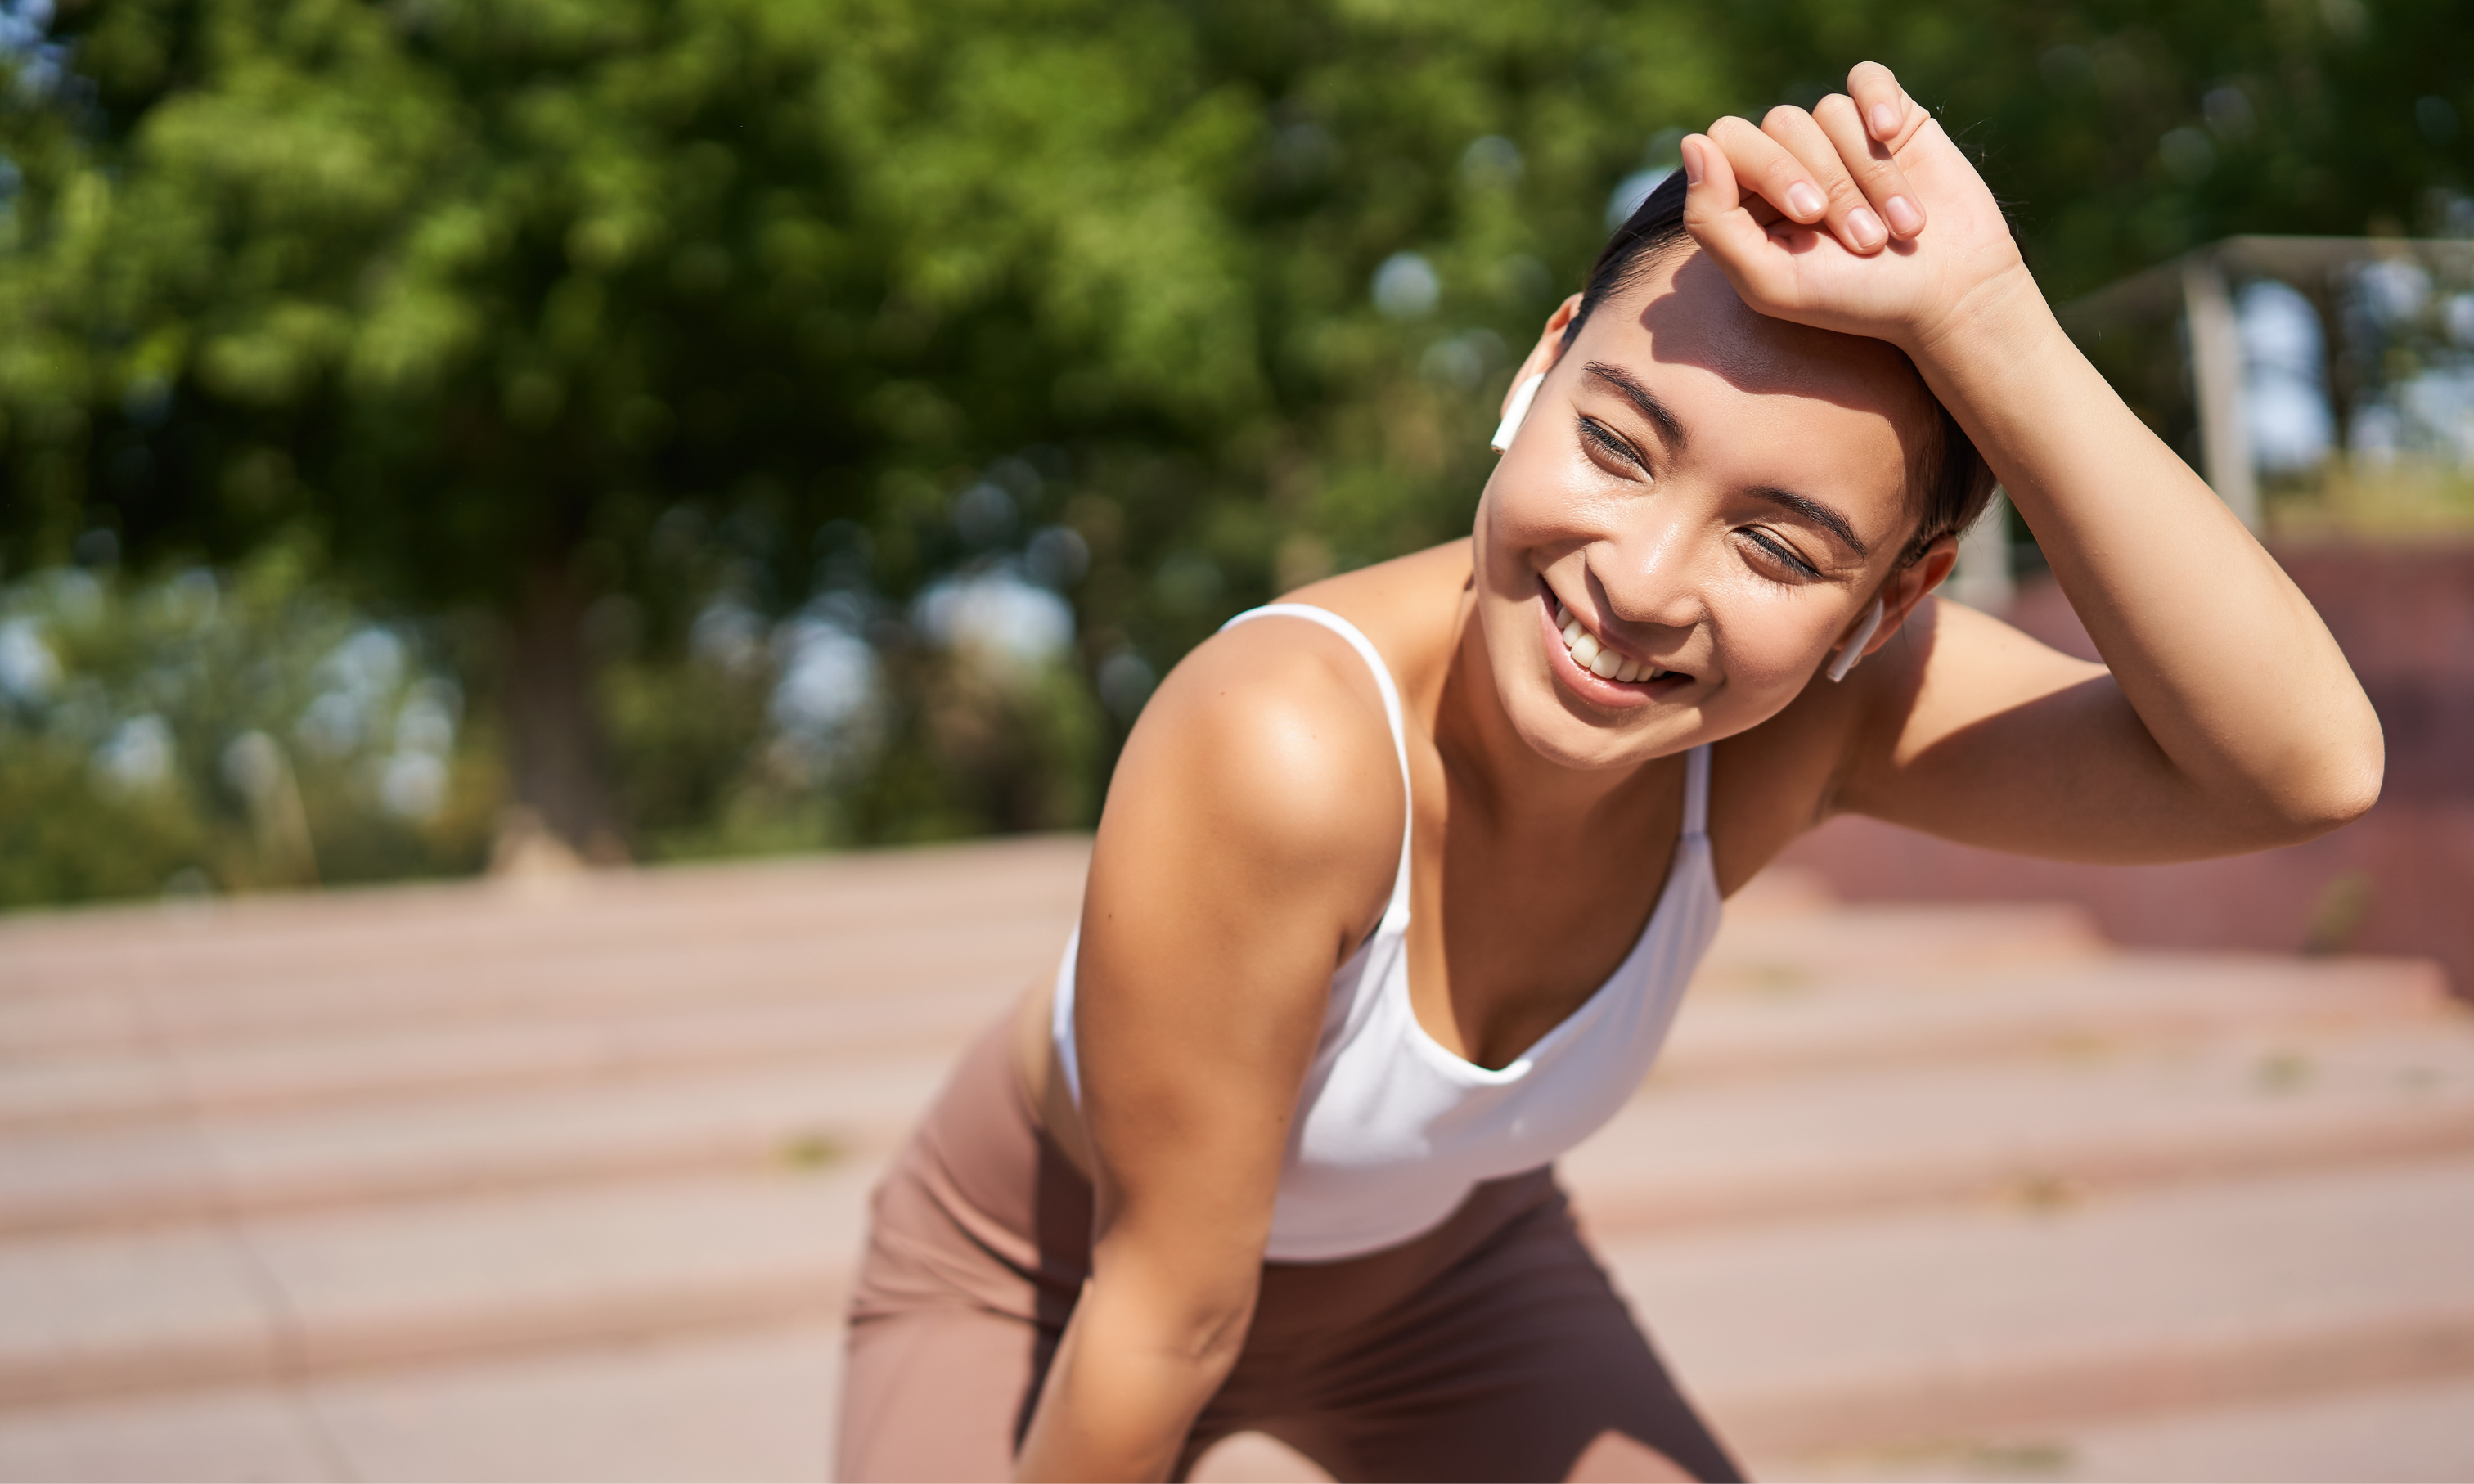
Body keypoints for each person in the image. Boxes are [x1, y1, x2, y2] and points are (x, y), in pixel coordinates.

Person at [834, 60, 2384, 1484]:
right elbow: (1164, 1314)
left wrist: (1989, 320)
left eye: (1778, 546)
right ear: (1543, 367)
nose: (1642, 582)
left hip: (1449, 1277)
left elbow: (2295, 771)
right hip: (1052, 1270)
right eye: (1623, 445)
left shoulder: (1817, 719)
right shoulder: (1279, 743)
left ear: (1894, 600)